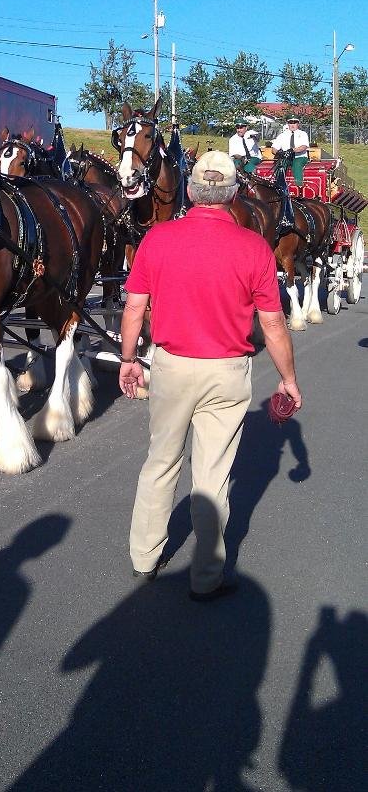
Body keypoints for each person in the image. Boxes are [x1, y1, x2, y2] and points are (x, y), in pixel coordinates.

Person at [119, 150, 302, 601]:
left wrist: (128, 358)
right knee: (213, 475)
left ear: (191, 190)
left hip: (171, 365)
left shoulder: (158, 239)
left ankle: (145, 557)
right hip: (226, 370)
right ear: (234, 193)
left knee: (161, 461)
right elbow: (273, 323)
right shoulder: (254, 247)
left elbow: (135, 307)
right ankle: (206, 577)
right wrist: (288, 379)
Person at [272, 116, 310, 188]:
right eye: (290, 123)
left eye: (294, 123)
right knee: (281, 164)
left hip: (300, 157)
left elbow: (304, 146)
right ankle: (278, 185)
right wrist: (279, 153)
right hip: (286, 157)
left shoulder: (303, 134)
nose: (292, 125)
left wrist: (293, 150)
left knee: (297, 163)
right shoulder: (282, 135)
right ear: (288, 124)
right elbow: (274, 149)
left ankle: (299, 185)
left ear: (298, 124)